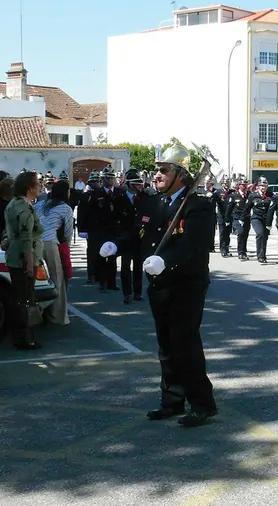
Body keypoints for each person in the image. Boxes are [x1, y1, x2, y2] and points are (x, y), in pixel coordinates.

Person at [100, 144, 217, 427]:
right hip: (159, 283)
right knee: (166, 345)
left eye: (164, 169)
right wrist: (117, 243)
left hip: (186, 283)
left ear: (181, 174)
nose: (157, 174)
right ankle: (172, 401)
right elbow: (138, 231)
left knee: (185, 343)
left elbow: (193, 244)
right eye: (156, 169)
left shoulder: (198, 206)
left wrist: (166, 260)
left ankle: (202, 404)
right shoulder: (154, 203)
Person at [4, 171, 45, 349]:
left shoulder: (13, 204)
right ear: (30, 188)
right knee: (26, 300)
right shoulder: (25, 209)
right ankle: (25, 339)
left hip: (14, 256)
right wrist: (30, 263)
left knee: (19, 299)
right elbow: (26, 238)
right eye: (37, 184)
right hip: (24, 259)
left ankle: (19, 336)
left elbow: (10, 232)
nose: (40, 187)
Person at [36, 179, 74, 324]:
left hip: (34, 242)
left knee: (38, 281)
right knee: (56, 280)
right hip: (50, 243)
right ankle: (57, 316)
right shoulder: (65, 208)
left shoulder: (39, 204)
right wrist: (65, 247)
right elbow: (68, 232)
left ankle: (38, 313)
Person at [117, 169, 151, 304]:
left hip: (139, 235)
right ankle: (126, 293)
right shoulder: (120, 197)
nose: (139, 186)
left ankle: (137, 292)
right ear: (130, 184)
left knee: (138, 265)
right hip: (125, 236)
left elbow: (148, 212)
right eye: (136, 184)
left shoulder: (144, 197)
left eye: (140, 184)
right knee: (125, 266)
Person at [248, 177, 274, 264]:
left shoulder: (271, 195)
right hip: (256, 218)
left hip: (266, 219)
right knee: (260, 234)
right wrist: (242, 219)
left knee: (265, 237)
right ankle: (260, 256)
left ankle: (263, 254)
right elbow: (247, 208)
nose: (263, 187)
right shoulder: (253, 195)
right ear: (258, 187)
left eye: (265, 186)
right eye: (261, 186)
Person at [227, 180, 252, 261]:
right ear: (239, 186)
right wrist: (227, 219)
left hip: (246, 218)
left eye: (245, 185)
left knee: (245, 235)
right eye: (242, 185)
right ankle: (240, 252)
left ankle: (243, 251)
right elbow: (229, 208)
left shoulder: (249, 195)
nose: (244, 186)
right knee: (240, 233)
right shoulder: (234, 195)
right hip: (237, 217)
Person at [213, 179, 234, 257]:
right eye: (224, 183)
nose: (226, 184)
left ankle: (227, 248)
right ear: (221, 184)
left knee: (228, 233)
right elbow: (212, 200)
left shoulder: (232, 192)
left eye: (227, 183)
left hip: (229, 215)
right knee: (222, 232)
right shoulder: (218, 192)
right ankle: (223, 250)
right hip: (221, 215)